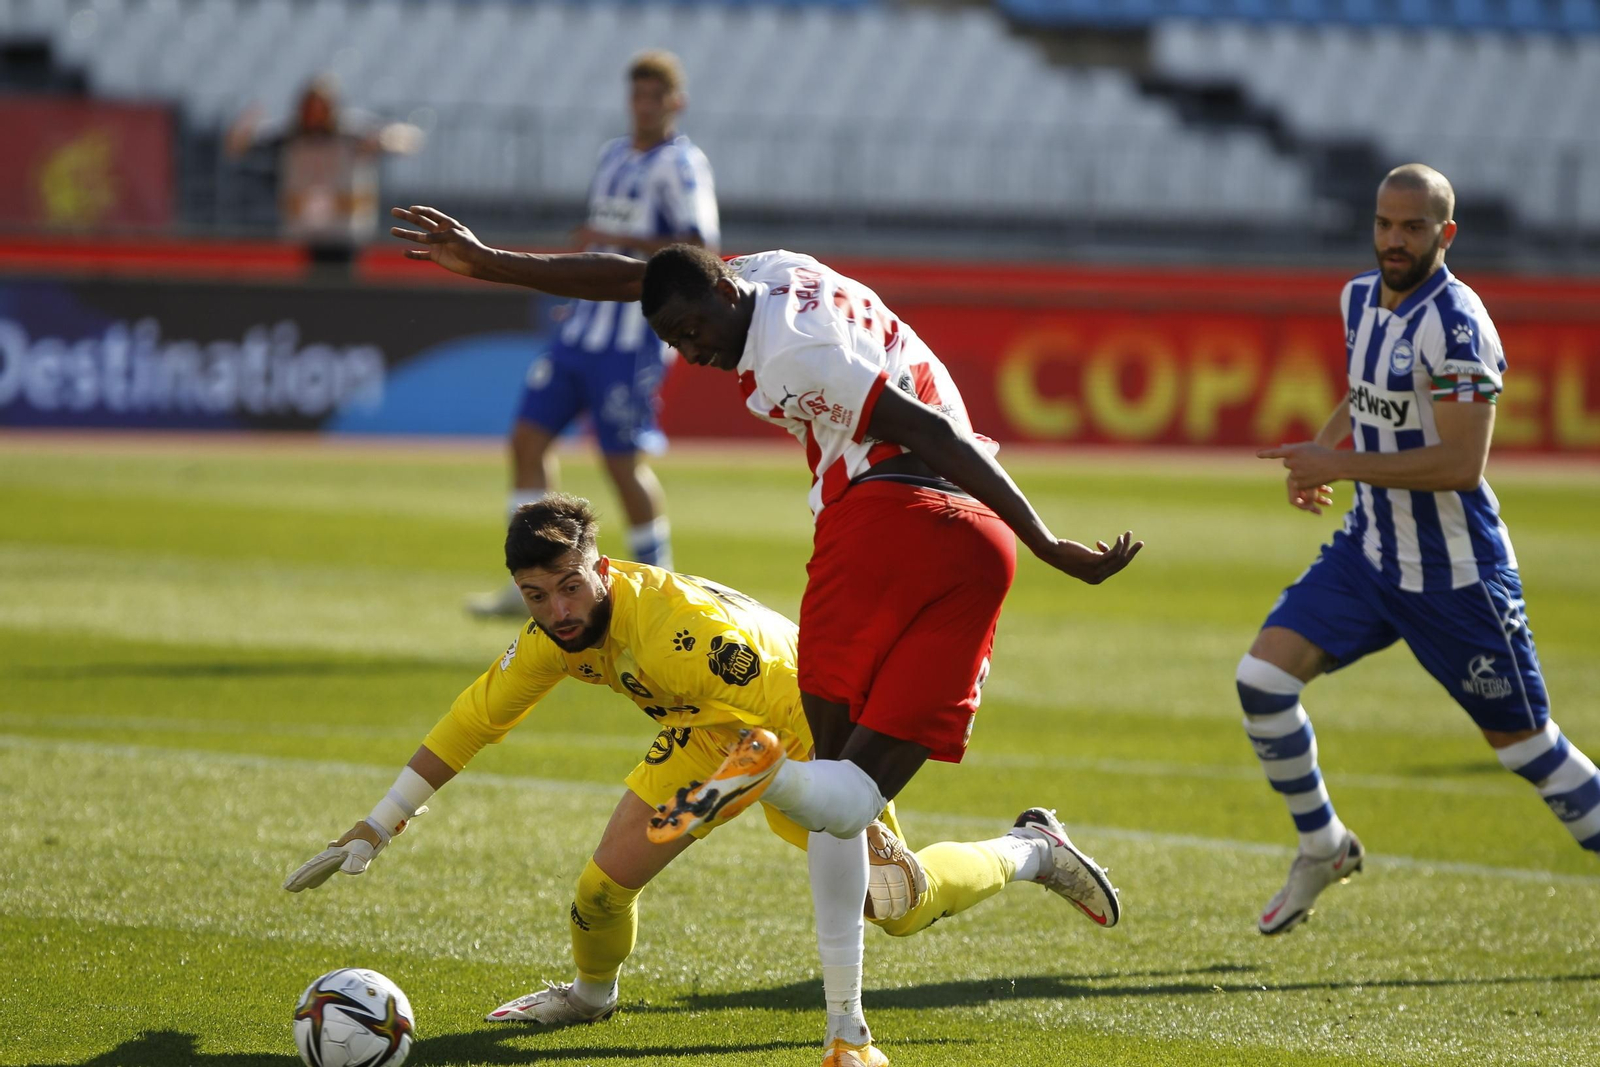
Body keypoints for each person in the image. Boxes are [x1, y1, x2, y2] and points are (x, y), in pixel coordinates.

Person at [387, 206, 1140, 1067]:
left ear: (724, 292)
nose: (689, 351)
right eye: (673, 336)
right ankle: (998, 878)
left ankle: (775, 787)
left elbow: (928, 431)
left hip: (886, 517)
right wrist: (493, 262)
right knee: (852, 813)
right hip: (972, 546)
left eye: (693, 330)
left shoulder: (791, 354)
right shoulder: (770, 273)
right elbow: (635, 274)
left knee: (855, 833)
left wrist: (1048, 539)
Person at [285, 494, 1118, 1028]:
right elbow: (474, 718)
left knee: (897, 906)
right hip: (706, 734)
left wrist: (837, 810)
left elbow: (800, 702)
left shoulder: (684, 637)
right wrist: (380, 821)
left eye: (569, 587)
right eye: (537, 596)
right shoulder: (552, 637)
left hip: (800, 730)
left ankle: (1032, 847)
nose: (558, 611)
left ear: (599, 567)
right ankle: (591, 996)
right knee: (599, 889)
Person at [1245, 164, 1600, 935]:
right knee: (1262, 682)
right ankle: (1325, 845)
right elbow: (1369, 388)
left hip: (1457, 575)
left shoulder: (1461, 323)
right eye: (1383, 224)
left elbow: (1459, 462)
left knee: (1528, 750)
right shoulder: (1358, 298)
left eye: (1411, 227)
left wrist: (1335, 464)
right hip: (1370, 554)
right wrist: (1327, 440)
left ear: (1447, 233)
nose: (1393, 240)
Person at [468, 50, 719, 616]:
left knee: (621, 462)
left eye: (656, 97)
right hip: (582, 330)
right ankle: (531, 578)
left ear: (674, 103)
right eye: (637, 95)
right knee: (527, 440)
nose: (644, 106)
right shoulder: (612, 156)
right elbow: (596, 249)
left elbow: (697, 248)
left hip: (630, 339)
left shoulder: (681, 166)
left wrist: (613, 235)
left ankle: (661, 587)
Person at [226, 75, 421, 264]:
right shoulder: (290, 136)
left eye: (321, 107)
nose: (315, 115)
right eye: (310, 107)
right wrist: (245, 126)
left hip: (344, 233)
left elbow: (409, 139)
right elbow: (238, 147)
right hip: (302, 232)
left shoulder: (352, 133)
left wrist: (382, 141)